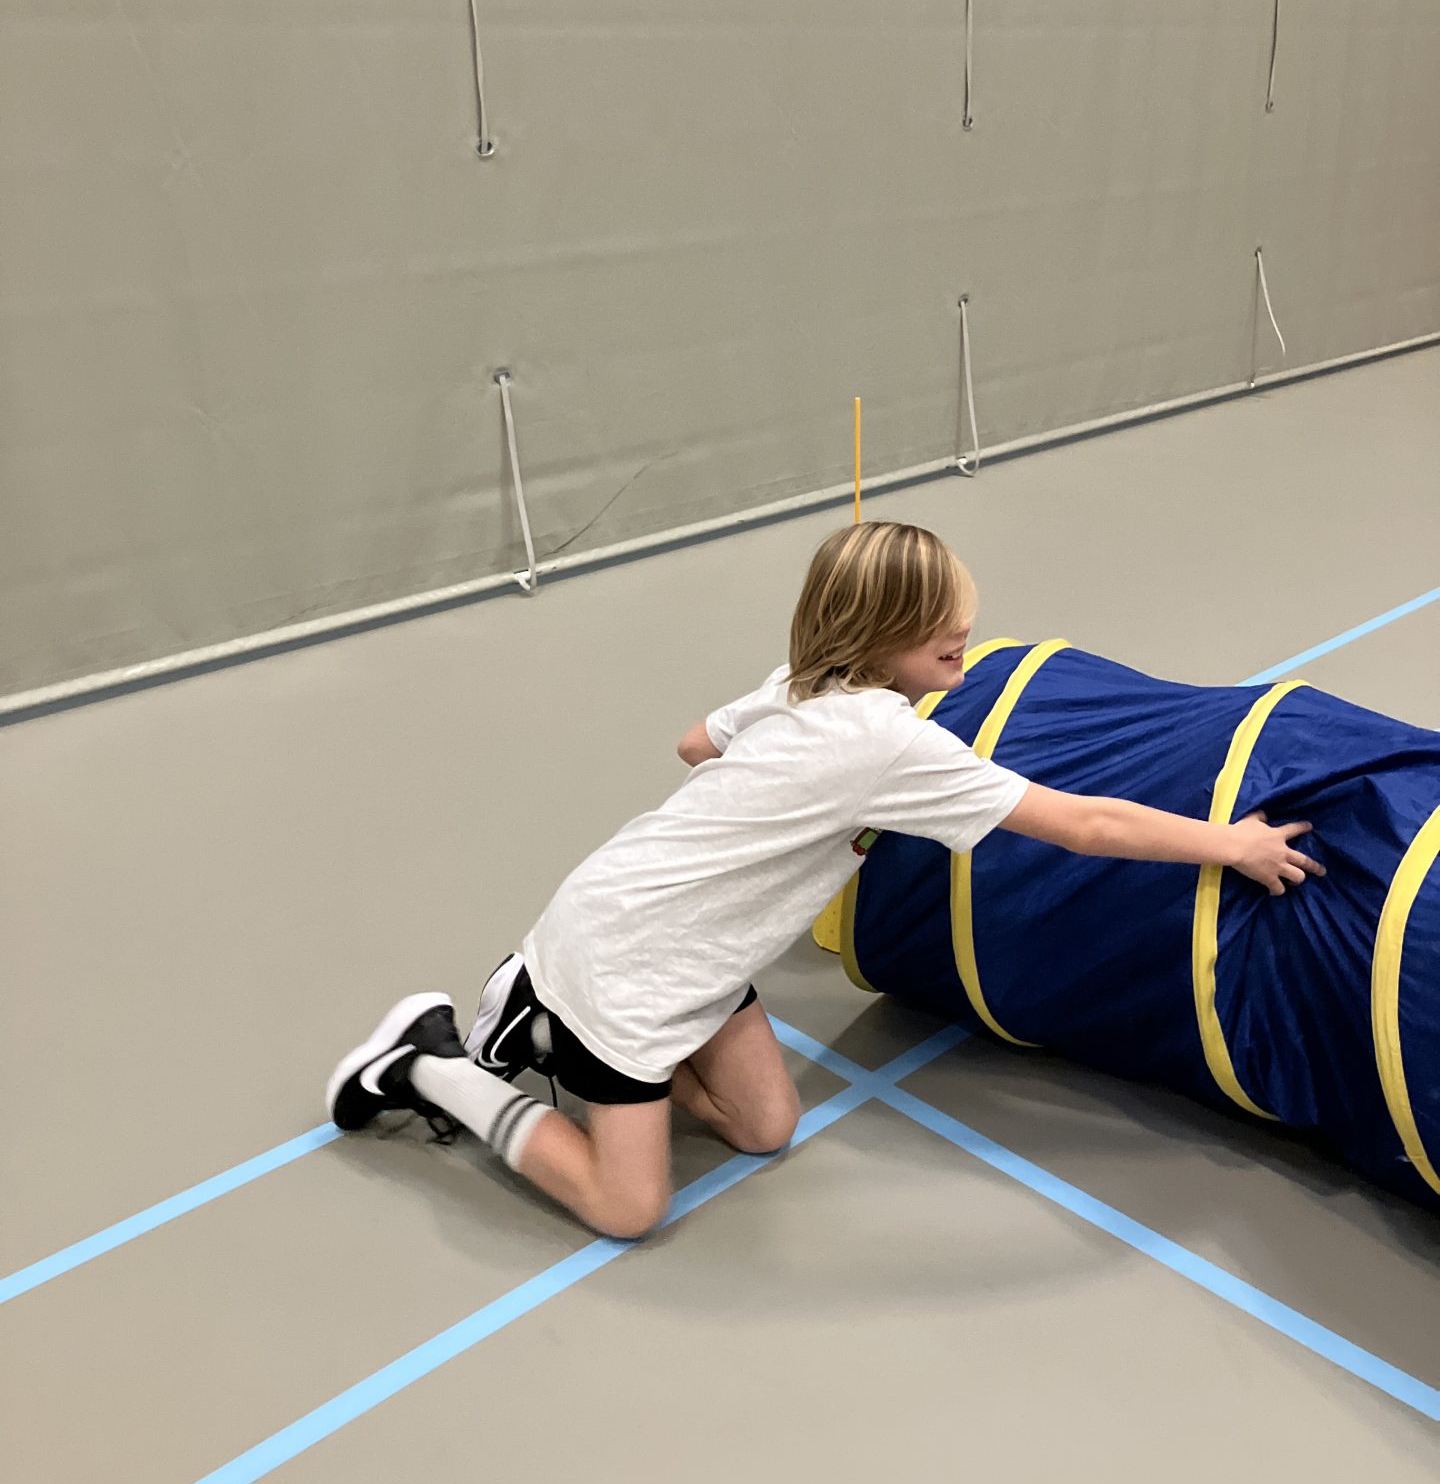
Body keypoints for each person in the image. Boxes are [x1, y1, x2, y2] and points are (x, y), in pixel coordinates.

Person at [326, 522, 1322, 1239]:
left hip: (685, 948)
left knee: (763, 1128)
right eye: (940, 630)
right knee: (627, 1208)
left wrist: (775, 809)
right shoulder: (887, 743)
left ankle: (559, 1028)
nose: (964, 638)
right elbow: (1084, 823)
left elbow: (692, 744)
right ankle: (435, 1062)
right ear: (878, 636)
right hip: (631, 963)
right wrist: (1228, 845)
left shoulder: (801, 682)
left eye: (962, 619)